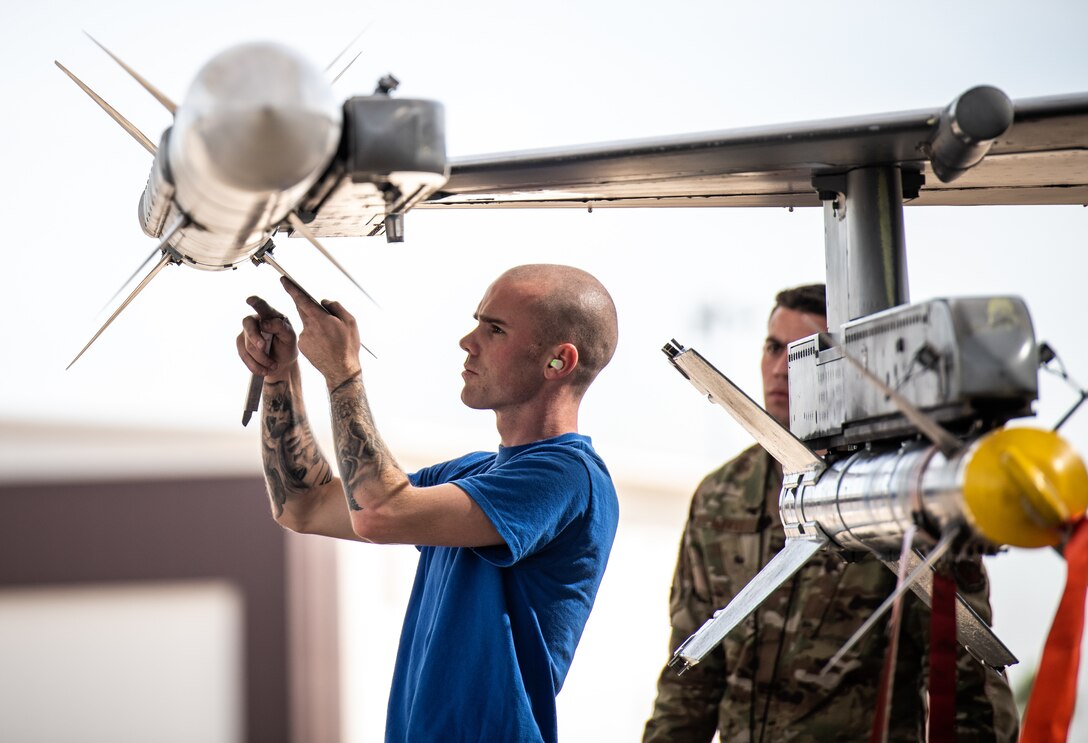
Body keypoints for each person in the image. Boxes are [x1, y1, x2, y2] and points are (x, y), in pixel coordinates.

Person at [237, 264, 620, 743]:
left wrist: (342, 370)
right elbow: (304, 505)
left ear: (558, 362)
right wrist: (281, 377)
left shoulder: (567, 475)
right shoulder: (470, 474)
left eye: (494, 329)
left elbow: (381, 512)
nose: (468, 341)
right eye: (477, 321)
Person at [643, 284, 1019, 743]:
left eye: (803, 353)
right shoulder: (720, 494)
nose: (781, 369)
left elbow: (966, 684)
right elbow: (690, 684)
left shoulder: (896, 497)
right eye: (773, 347)